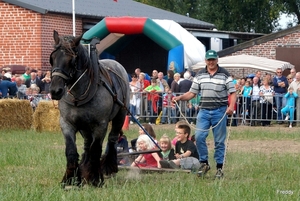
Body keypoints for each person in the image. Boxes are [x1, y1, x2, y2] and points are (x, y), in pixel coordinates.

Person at [172, 50, 236, 178]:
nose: (211, 62)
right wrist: (179, 98)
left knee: (219, 141)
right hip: (204, 111)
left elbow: (233, 92)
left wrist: (231, 106)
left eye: (213, 59)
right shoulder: (200, 75)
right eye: (209, 60)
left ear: (217, 60)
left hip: (220, 110)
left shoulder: (224, 74)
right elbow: (192, 93)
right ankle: (204, 163)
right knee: (199, 137)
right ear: (205, 61)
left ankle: (219, 168)